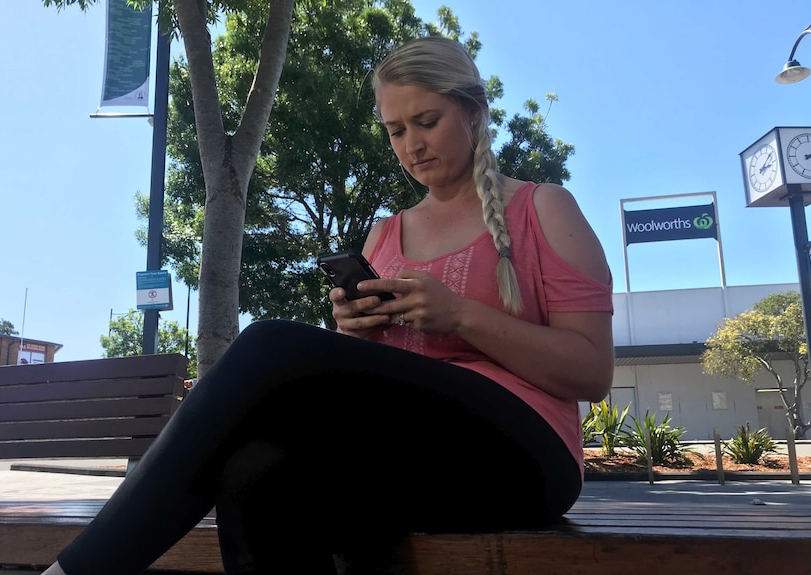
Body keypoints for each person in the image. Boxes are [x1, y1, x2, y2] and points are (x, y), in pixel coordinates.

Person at [41, 36, 613, 575]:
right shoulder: (385, 235)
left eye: (427, 122)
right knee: (254, 472)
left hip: (522, 458)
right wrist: (358, 333)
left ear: (471, 111)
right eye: (394, 130)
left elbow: (591, 373)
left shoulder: (543, 209)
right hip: (396, 457)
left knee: (267, 343)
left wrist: (461, 314)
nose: (411, 145)